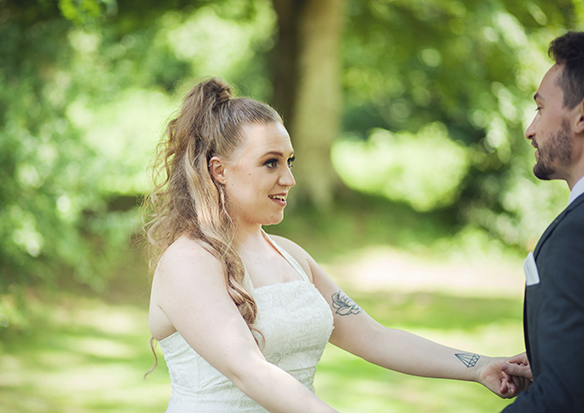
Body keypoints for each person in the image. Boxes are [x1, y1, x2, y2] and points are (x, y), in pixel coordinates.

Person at [145, 77, 527, 412]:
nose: (289, 179)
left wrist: (479, 366)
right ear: (219, 171)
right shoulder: (189, 261)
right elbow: (249, 371)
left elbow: (374, 337)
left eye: (289, 161)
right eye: (270, 163)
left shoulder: (291, 256)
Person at [500, 31, 584, 412]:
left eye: (539, 107)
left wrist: (559, 371)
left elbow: (563, 398)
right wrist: (555, 356)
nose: (530, 130)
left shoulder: (573, 236)